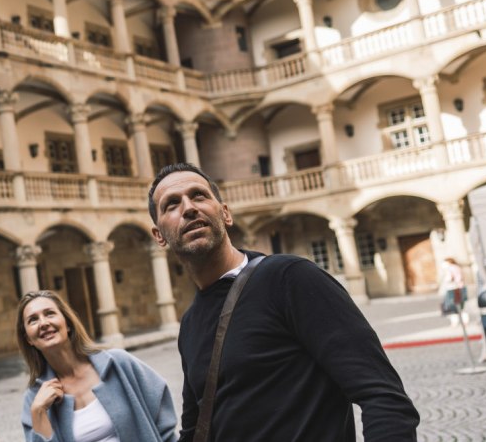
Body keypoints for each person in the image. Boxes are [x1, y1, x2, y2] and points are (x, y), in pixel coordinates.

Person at [147, 163, 419, 441]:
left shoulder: (289, 279)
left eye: (199, 196)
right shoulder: (191, 324)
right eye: (171, 204)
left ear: (225, 214)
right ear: (159, 236)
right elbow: (195, 431)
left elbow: (384, 396)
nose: (189, 208)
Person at [17, 290, 178, 442]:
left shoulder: (118, 364)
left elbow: (163, 420)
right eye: (33, 320)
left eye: (49, 313)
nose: (43, 323)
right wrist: (38, 411)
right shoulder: (34, 399)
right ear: (28, 339)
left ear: (67, 324)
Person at [438, 257, 469, 327]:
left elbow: (451, 278)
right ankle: (463, 321)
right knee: (460, 306)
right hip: (458, 288)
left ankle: (457, 322)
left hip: (454, 289)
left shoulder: (451, 268)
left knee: (454, 306)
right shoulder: (456, 267)